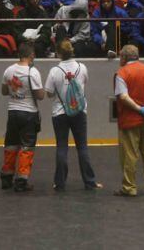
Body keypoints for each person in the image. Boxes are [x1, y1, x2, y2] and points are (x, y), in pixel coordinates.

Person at [44, 40, 102, 191]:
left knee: (62, 147)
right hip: (79, 111)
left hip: (59, 112)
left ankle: (60, 183)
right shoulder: (82, 68)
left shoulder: (54, 71)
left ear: (59, 53)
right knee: (82, 147)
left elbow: (49, 93)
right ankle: (90, 182)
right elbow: (84, 84)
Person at [113, 45, 144, 196]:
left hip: (130, 120)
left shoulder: (121, 73)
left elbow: (123, 96)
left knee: (129, 154)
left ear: (123, 57)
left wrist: (138, 108)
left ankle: (129, 187)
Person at [1, 43, 44, 192]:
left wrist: (16, 91)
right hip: (28, 113)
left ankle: (6, 177)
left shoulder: (8, 70)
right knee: (27, 147)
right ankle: (21, 180)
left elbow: (4, 91)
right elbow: (40, 96)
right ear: (31, 55)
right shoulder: (33, 72)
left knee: (11, 145)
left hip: (12, 112)